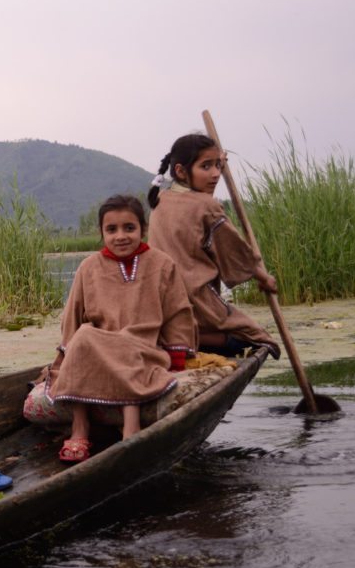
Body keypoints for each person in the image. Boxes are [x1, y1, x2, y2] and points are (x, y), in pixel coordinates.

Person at [45, 195, 196, 462]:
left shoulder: (161, 264)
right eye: (111, 230)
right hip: (96, 351)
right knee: (83, 336)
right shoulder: (88, 267)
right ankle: (80, 428)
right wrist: (66, 355)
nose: (120, 236)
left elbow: (178, 313)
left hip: (144, 348)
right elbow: (73, 315)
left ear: (143, 229)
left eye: (129, 228)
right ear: (101, 233)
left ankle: (131, 427)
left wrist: (177, 356)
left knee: (124, 342)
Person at [147, 133, 281, 358]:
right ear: (181, 171)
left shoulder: (160, 199)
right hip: (195, 303)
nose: (216, 174)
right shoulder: (206, 206)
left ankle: (176, 335)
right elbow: (234, 253)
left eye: (218, 166)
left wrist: (214, 162)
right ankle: (193, 338)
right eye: (206, 167)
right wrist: (263, 277)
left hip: (161, 305)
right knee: (257, 339)